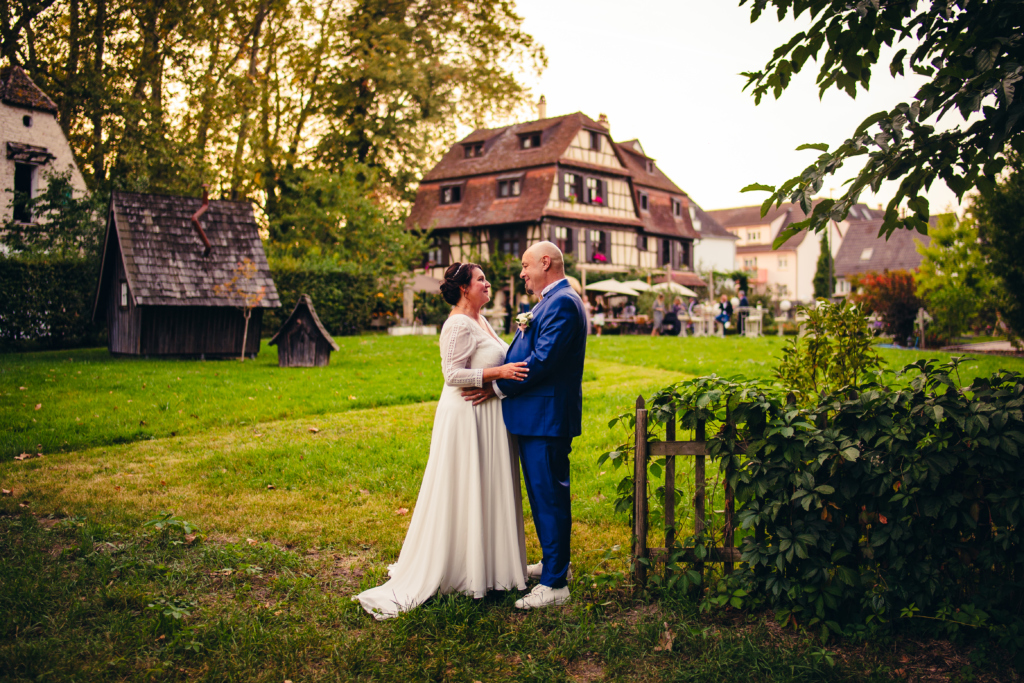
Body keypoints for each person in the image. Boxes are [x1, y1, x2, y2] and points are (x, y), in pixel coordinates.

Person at [355, 262, 531, 620]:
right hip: (465, 417)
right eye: (481, 279)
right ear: (464, 288)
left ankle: (491, 565)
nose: (487, 283)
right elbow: (452, 374)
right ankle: (460, 566)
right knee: (463, 488)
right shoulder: (457, 323)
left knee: (485, 487)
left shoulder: (482, 320)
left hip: (486, 414)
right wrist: (498, 372)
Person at [461, 241, 587, 610]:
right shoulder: (551, 300)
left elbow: (543, 361)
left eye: (525, 265)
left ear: (545, 262)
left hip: (545, 418)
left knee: (549, 497)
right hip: (537, 416)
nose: (521, 273)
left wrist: (497, 386)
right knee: (542, 495)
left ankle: (555, 583)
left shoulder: (562, 302)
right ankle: (552, 564)